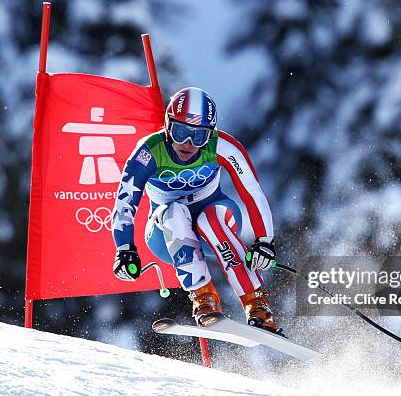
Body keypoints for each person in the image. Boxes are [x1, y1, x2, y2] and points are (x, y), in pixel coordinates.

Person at [111, 87, 280, 333]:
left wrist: (265, 240)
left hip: (214, 226)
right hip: (165, 235)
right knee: (174, 212)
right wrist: (124, 249)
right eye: (180, 133)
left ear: (209, 134)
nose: (188, 144)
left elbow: (252, 191)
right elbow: (125, 202)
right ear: (168, 126)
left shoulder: (222, 146)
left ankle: (257, 305)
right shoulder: (148, 152)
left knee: (210, 219)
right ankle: (203, 297)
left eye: (199, 137)